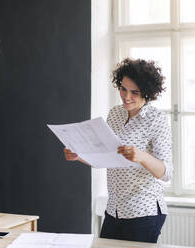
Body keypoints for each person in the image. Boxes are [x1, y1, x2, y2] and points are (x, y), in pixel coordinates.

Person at [64, 58, 173, 243]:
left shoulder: (157, 120)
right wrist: (79, 156)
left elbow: (166, 173)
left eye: (135, 92)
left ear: (148, 93)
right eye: (123, 89)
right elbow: (106, 157)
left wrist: (142, 156)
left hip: (143, 212)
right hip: (114, 210)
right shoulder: (115, 113)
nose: (126, 96)